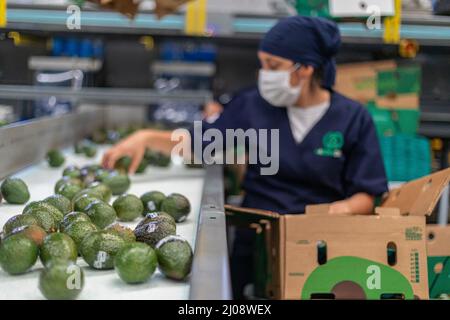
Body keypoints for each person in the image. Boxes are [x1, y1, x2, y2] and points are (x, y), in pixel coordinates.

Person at [102, 16, 388, 299]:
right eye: (262, 63)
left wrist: (342, 210)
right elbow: (203, 143)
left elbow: (368, 193)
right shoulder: (254, 105)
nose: (264, 73)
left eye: (273, 66)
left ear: (306, 69)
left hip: (321, 249)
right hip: (256, 244)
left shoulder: (352, 118)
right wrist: (148, 138)